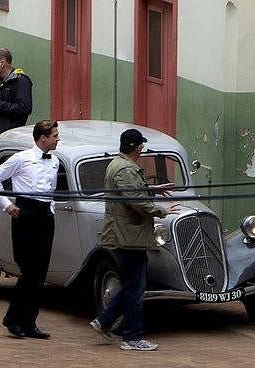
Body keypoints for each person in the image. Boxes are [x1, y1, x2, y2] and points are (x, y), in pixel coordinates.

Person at [89, 128, 179, 351]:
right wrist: (162, 210)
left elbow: (131, 191)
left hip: (126, 234)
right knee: (136, 288)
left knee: (132, 284)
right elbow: (136, 201)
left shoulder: (118, 165)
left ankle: (105, 320)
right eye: (141, 147)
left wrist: (153, 189)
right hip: (128, 235)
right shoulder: (126, 169)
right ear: (137, 148)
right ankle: (132, 336)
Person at [0, 120, 60, 339]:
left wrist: (52, 210)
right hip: (25, 212)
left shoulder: (55, 161)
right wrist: (7, 205)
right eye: (55, 135)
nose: (58, 139)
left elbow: (52, 190)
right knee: (28, 271)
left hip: (45, 213)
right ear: (43, 138)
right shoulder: (21, 158)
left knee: (40, 272)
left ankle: (29, 322)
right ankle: (12, 319)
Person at [0, 48, 33, 142]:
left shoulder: (21, 81)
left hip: (12, 138)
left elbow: (24, 108)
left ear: (2, 63)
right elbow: (1, 107)